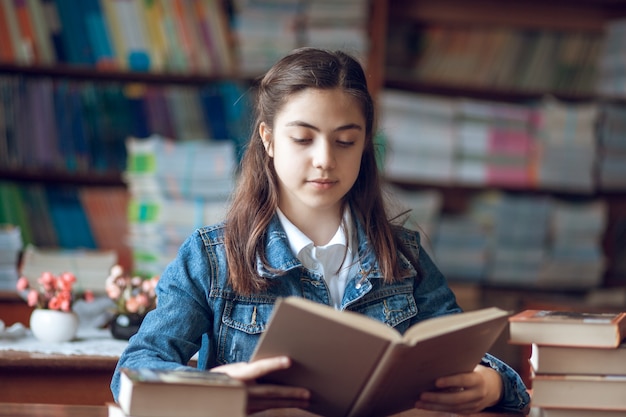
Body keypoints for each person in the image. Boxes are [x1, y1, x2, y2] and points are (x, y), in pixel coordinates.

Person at [110, 47, 530, 415]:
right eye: (303, 139)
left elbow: (465, 352)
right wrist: (220, 384)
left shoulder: (403, 255)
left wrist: (490, 385)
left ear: (365, 145)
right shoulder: (211, 257)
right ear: (269, 139)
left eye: (345, 142)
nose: (325, 160)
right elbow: (134, 370)